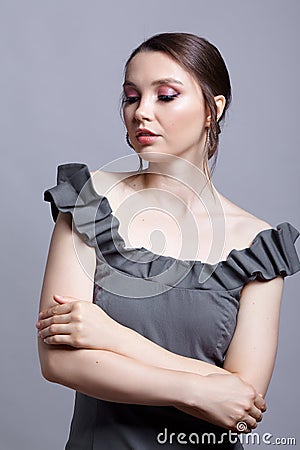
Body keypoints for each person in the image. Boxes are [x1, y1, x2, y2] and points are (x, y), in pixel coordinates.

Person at [36, 33, 300, 449]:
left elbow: (241, 403)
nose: (141, 112)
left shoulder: (258, 245)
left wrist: (115, 337)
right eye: (131, 97)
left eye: (166, 96)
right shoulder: (88, 201)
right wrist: (198, 389)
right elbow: (58, 361)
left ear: (214, 110)